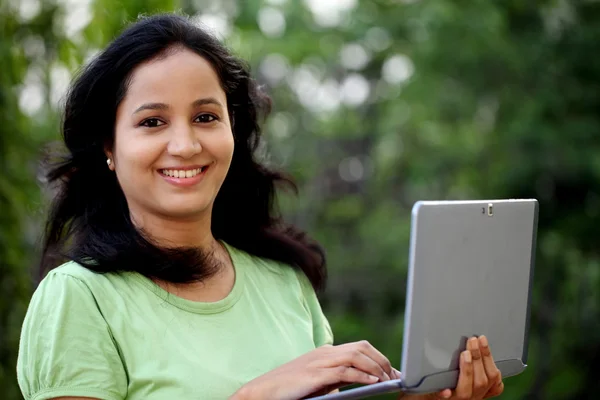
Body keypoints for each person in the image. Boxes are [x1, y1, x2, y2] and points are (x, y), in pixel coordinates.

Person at [16, 13, 505, 400]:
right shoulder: (79, 300)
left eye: (206, 116)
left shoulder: (283, 282)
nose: (185, 145)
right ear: (108, 146)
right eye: (152, 122)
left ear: (232, 129)